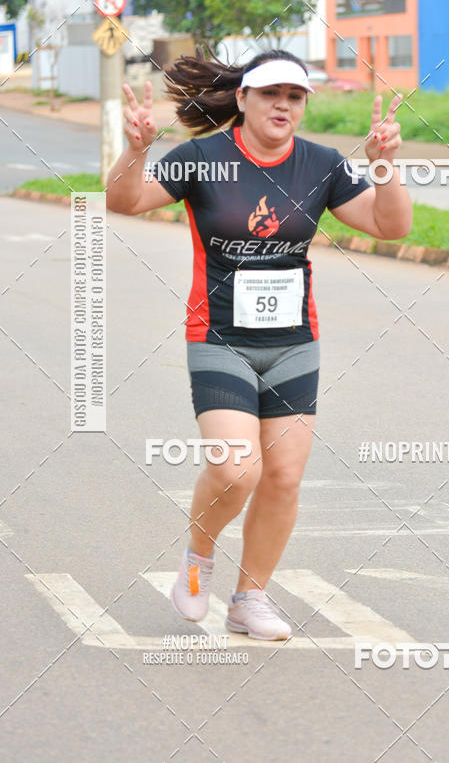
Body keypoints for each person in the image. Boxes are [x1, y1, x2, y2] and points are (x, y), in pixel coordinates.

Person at [106, 47, 412, 640]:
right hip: (219, 338)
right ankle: (197, 561)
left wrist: (384, 167)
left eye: (294, 96)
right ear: (242, 99)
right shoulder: (202, 158)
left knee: (283, 478)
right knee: (236, 469)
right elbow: (124, 201)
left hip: (294, 342)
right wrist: (138, 150)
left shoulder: (322, 164)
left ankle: (250, 598)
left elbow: (390, 225)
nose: (283, 105)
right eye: (270, 93)